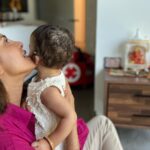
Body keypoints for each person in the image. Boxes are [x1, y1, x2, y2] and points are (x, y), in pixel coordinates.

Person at [0, 33, 123, 150]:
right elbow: (69, 118)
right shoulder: (10, 142)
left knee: (102, 123)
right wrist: (70, 110)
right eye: (5, 41)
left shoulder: (27, 98)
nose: (20, 43)